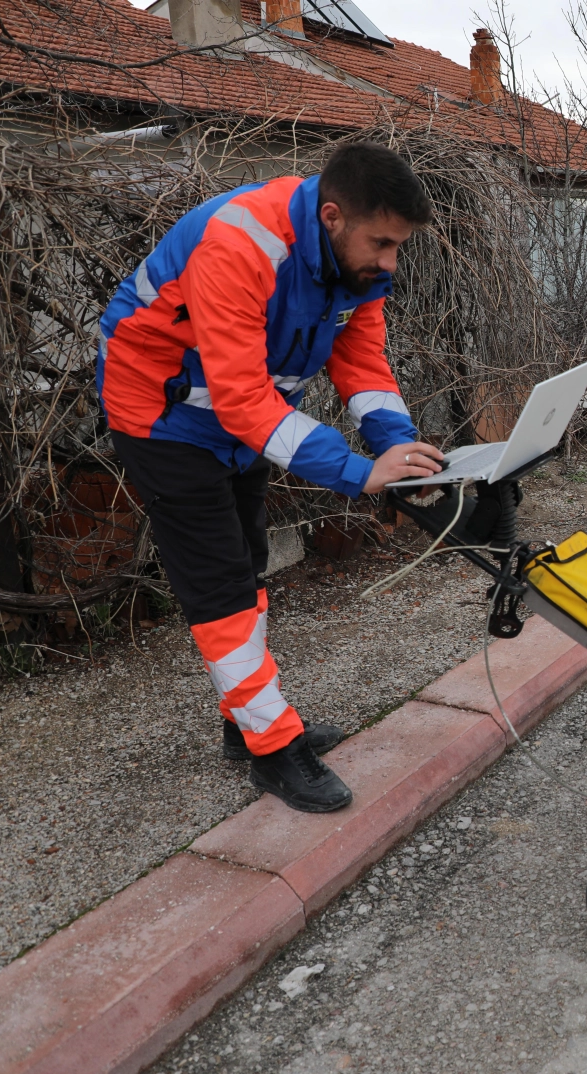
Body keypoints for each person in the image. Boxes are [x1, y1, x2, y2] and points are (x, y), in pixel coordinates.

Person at [97, 142, 444, 812]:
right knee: (221, 587)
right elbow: (242, 398)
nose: (390, 263)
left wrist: (398, 452)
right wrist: (355, 473)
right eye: (382, 243)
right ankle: (274, 749)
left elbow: (364, 362)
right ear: (335, 216)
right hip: (159, 418)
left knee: (249, 564)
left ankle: (246, 720)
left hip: (237, 422)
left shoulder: (353, 263)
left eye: (399, 247)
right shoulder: (239, 245)